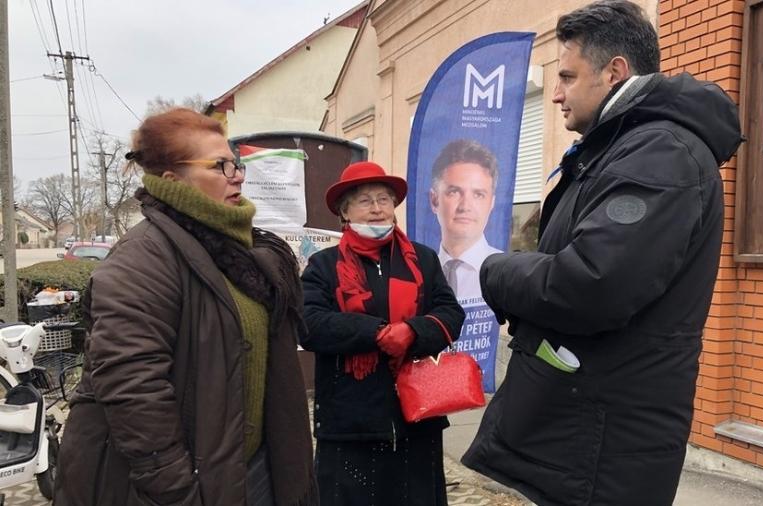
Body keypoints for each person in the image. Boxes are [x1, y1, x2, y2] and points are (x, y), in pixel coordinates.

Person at [461, 2, 742, 505]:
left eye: (567, 76)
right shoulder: (621, 147)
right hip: (572, 436)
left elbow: (591, 284)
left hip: (595, 453)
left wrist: (493, 269)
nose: (555, 94)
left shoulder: (661, 153)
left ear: (615, 72)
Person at [54, 108, 318, 506]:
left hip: (250, 469)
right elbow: (133, 393)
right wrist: (178, 492)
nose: (238, 175)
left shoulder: (239, 248)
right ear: (172, 180)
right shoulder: (142, 260)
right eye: (221, 166)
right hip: (181, 486)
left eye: (236, 163)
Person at [301, 161, 465, 506]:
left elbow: (451, 315)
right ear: (345, 212)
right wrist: (375, 333)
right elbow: (309, 324)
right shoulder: (324, 265)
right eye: (364, 200)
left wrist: (412, 332)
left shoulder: (422, 259)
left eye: (384, 199)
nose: (376, 208)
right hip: (349, 424)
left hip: (417, 421)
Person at [429, 139, 502, 302]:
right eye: (454, 192)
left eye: (478, 195)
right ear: (434, 200)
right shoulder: (418, 273)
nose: (465, 206)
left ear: (491, 203)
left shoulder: (508, 275)